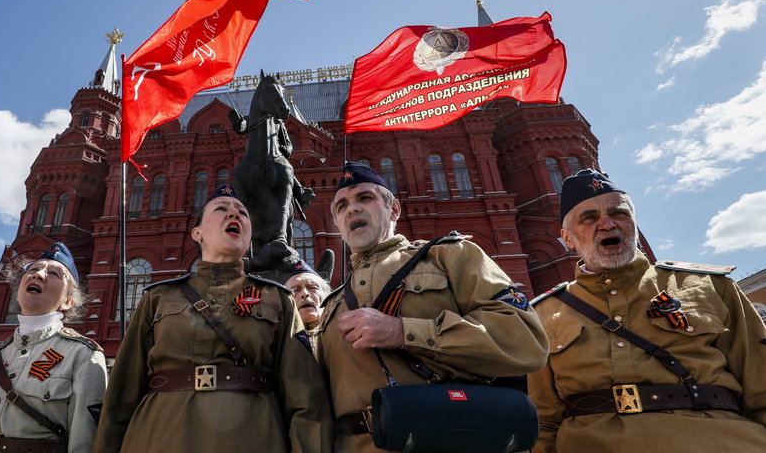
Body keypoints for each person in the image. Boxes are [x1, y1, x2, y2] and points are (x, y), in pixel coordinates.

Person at [527, 169, 766, 452]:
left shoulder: (710, 286)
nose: (607, 224)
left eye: (619, 213)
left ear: (634, 224)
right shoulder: (542, 313)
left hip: (722, 440)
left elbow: (761, 385)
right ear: (567, 238)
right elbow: (543, 419)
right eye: (589, 218)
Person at [316, 161, 548, 453]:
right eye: (341, 206)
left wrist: (404, 331)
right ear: (336, 224)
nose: (352, 209)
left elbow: (526, 340)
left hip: (454, 437)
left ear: (394, 210)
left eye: (365, 198)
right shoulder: (331, 305)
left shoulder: (448, 256)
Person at [93, 185, 332, 453]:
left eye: (242, 213)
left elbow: (306, 398)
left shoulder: (278, 299)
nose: (235, 214)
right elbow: (120, 395)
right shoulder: (158, 297)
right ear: (197, 233)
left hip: (252, 438)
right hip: (158, 436)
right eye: (222, 209)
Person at [0, 242, 107, 453]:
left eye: (54, 274)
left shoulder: (81, 354)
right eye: (32, 269)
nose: (38, 275)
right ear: (18, 292)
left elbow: (85, 439)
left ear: (68, 301)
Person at [284, 260, 331, 352]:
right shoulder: (278, 340)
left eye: (312, 287)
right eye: (295, 290)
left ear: (327, 295)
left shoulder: (345, 333)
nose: (304, 294)